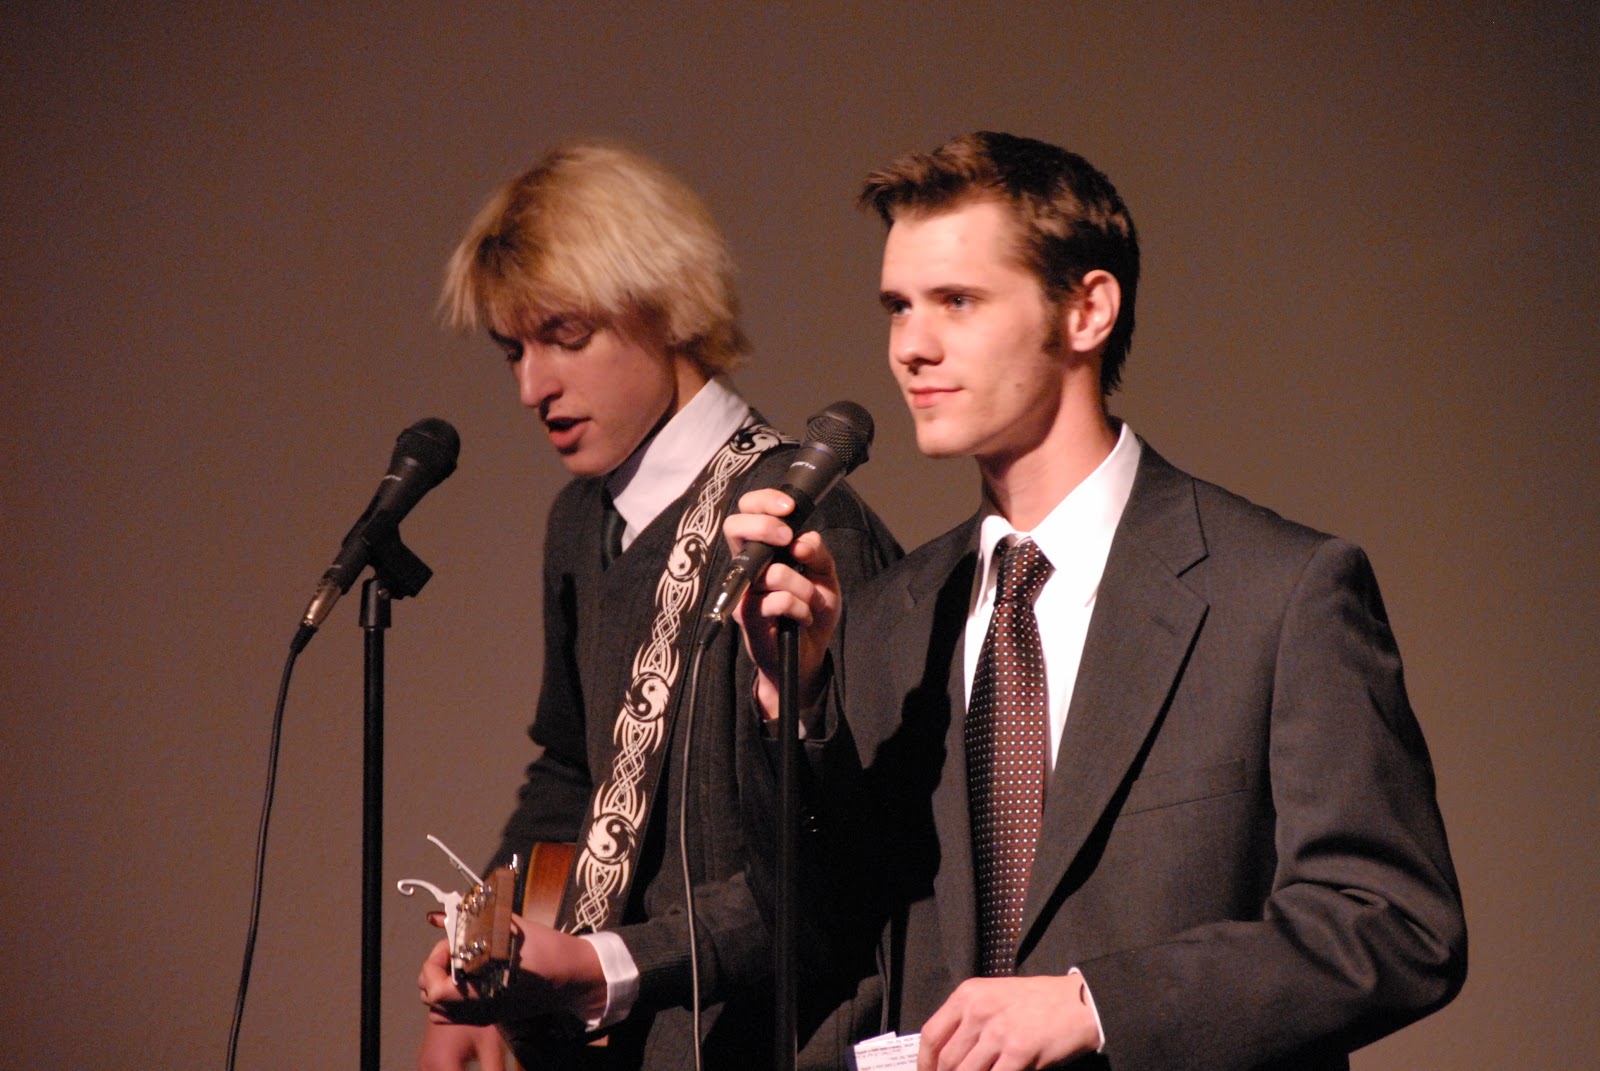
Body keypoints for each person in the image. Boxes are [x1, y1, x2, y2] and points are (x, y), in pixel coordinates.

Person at [725, 131, 1466, 1070]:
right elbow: (826, 939)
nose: (910, 346)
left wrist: (1097, 1005)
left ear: (1087, 311)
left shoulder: (1278, 592)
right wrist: (798, 704)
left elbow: (1395, 922)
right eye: (899, 306)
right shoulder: (890, 616)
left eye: (957, 300)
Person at [415, 142, 899, 1070]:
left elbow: (846, 869)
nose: (532, 387)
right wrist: (484, 965)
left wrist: (608, 962)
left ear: (668, 306)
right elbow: (570, 770)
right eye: (513, 349)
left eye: (565, 334)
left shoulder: (804, 517)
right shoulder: (581, 524)